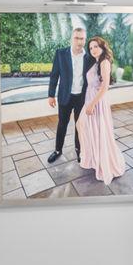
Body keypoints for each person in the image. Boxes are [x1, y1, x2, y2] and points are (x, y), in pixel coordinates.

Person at [76, 36, 128, 185]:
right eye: (91, 47)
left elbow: (105, 86)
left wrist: (92, 104)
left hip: (96, 100)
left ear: (102, 47)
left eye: (96, 47)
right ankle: (92, 157)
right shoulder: (97, 62)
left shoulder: (104, 62)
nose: (93, 50)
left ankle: (101, 160)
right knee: (82, 126)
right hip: (90, 98)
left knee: (97, 130)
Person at [46, 24, 93, 164]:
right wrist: (50, 95)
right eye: (77, 38)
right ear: (71, 38)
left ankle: (79, 151)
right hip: (65, 96)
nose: (79, 41)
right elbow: (54, 75)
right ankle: (58, 150)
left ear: (85, 40)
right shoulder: (61, 53)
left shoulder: (89, 57)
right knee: (62, 124)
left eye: (82, 39)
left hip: (81, 98)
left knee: (80, 126)